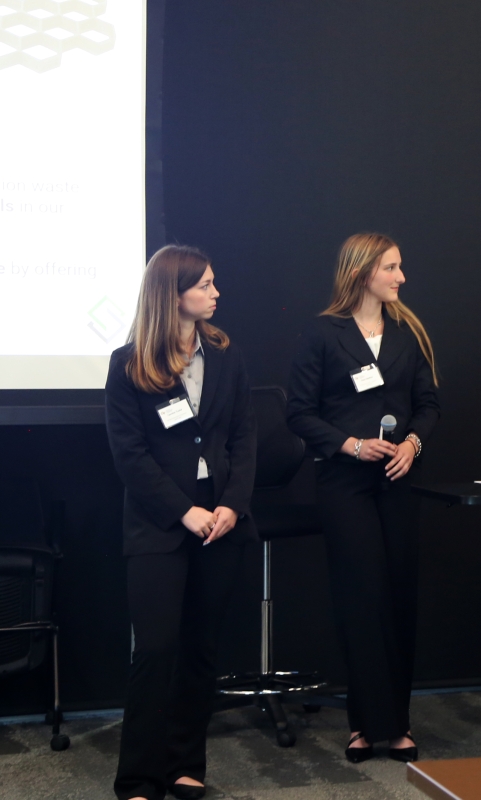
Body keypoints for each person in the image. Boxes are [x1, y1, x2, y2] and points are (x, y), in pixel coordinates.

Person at [105, 245, 257, 800]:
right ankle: (139, 777)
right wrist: (183, 510)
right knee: (155, 650)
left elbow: (244, 438)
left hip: (220, 521)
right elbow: (130, 456)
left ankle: (185, 764)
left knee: (200, 648)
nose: (216, 293)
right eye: (205, 285)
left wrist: (231, 505)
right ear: (173, 295)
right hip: (160, 525)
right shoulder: (129, 364)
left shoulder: (226, 356)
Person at [287, 232, 439, 762]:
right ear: (361, 272)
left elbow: (429, 405)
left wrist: (413, 444)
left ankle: (397, 723)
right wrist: (350, 444)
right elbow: (299, 412)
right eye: (390, 268)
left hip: (396, 481)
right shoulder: (322, 333)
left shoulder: (407, 332)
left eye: (400, 267)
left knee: (398, 597)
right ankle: (363, 724)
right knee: (362, 598)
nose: (401, 277)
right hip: (344, 484)